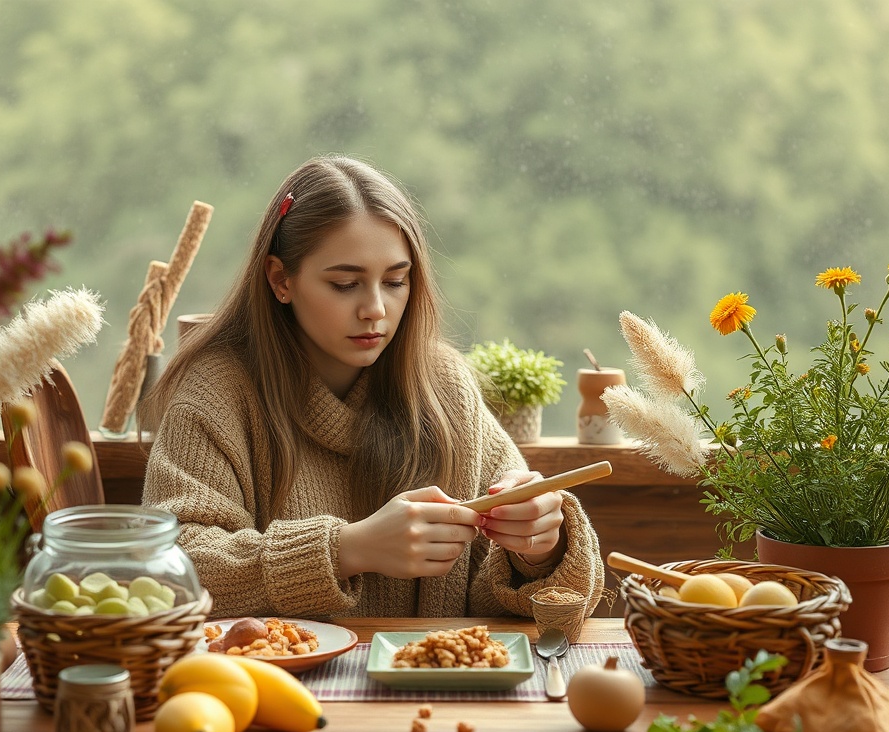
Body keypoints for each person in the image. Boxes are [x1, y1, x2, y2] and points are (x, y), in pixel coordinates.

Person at [140, 155, 604, 619]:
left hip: (438, 688)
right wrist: (348, 549)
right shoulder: (214, 393)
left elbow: (523, 592)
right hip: (279, 686)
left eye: (396, 281)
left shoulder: (444, 386)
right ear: (281, 279)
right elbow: (170, 569)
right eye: (346, 284)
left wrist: (540, 549)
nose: (376, 309)